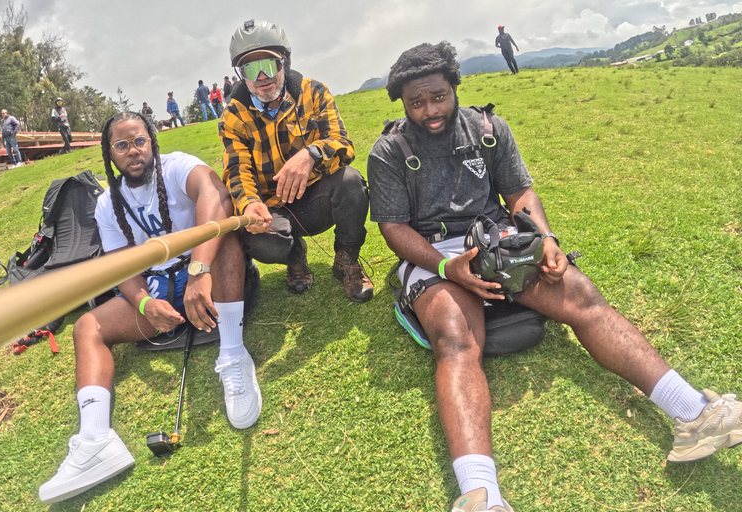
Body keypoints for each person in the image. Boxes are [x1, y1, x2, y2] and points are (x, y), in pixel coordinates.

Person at [367, 42, 742, 512]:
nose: (429, 111)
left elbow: (519, 191)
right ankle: (481, 494)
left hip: (497, 236)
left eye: (438, 97)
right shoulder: (390, 150)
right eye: (416, 103)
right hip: (434, 250)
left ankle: (695, 414)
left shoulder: (488, 129)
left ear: (454, 87)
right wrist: (448, 269)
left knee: (583, 298)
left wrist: (545, 238)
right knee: (457, 338)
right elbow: (393, 228)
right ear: (402, 102)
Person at [38, 111, 263, 503]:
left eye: (139, 141)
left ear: (152, 141)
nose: (133, 151)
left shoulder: (176, 166)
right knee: (86, 327)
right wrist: (144, 304)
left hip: (205, 272)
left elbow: (216, 195)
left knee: (223, 234)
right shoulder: (107, 203)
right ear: (110, 154)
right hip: (159, 287)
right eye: (121, 146)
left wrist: (198, 271)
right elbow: (121, 265)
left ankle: (233, 355)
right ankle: (95, 440)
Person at [220, 19, 373, 303]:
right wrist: (249, 204)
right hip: (273, 208)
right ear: (241, 75)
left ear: (285, 62)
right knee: (259, 241)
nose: (262, 76)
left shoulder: (314, 92)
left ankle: (347, 259)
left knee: (351, 182)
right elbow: (237, 171)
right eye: (251, 69)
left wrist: (312, 155)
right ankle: (295, 257)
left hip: (317, 198)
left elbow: (344, 145)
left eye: (270, 64)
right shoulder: (233, 115)